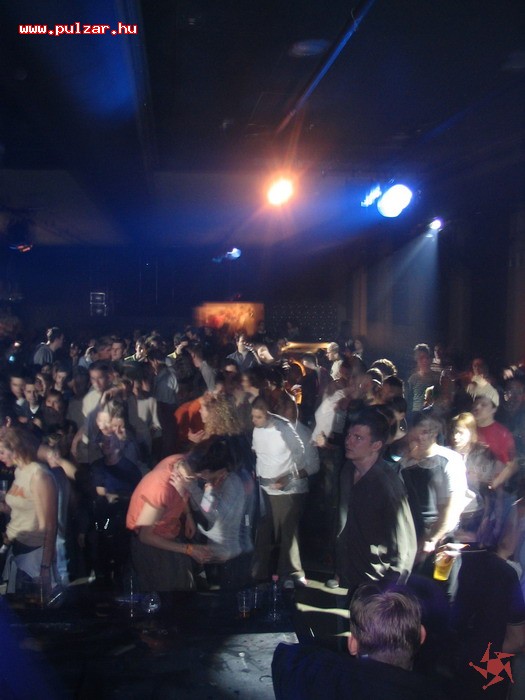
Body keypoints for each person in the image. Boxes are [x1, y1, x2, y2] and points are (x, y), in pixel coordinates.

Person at [272, 586, 446, 700]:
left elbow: (285, 656)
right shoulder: (439, 693)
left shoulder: (324, 677)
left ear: (353, 645)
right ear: (422, 635)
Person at [331, 407, 417, 592]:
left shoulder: (387, 485)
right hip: (350, 571)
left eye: (358, 438)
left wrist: (390, 591)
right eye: (349, 435)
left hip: (376, 580)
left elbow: (405, 546)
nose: (348, 441)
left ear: (376, 445)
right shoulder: (348, 470)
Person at [250, 395, 307, 587]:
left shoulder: (284, 428)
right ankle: (259, 572)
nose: (254, 420)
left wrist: (288, 476)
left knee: (287, 532)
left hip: (284, 490)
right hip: (264, 489)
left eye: (258, 417)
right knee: (264, 532)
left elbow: (300, 452)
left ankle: (289, 573)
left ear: (268, 414)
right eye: (253, 416)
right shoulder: (257, 430)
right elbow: (258, 453)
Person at [0, 427, 58, 600]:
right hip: (16, 549)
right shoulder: (19, 471)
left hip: (34, 554)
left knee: (32, 607)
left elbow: (50, 525)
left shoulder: (39, 476)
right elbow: (23, 508)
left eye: (2, 452)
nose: (0, 457)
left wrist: (45, 567)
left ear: (16, 449)